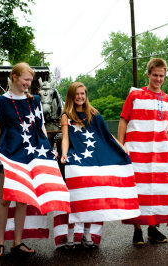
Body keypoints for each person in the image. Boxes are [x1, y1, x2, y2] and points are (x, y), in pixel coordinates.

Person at [0, 62, 70, 257]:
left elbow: (40, 128)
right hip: (8, 154)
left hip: (31, 155)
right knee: (5, 199)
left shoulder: (34, 101)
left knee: (23, 199)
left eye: (30, 80)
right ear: (14, 77)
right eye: (25, 79)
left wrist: (50, 150)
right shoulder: (0, 102)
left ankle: (17, 242)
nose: (28, 84)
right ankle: (0, 243)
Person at [59, 82, 140, 249]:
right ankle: (70, 235)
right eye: (77, 94)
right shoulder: (66, 115)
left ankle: (87, 233)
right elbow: (66, 137)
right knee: (75, 198)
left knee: (92, 196)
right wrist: (64, 153)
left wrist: (121, 147)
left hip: (95, 161)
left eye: (83, 93)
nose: (80, 97)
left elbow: (106, 135)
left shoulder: (94, 114)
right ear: (71, 96)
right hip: (76, 160)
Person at [118, 58, 168, 245]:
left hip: (160, 155)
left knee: (159, 190)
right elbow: (124, 120)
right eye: (155, 75)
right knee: (138, 190)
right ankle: (137, 230)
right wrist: (122, 145)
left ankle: (152, 229)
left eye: (161, 76)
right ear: (148, 74)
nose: (158, 79)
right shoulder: (135, 95)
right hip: (137, 151)